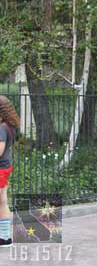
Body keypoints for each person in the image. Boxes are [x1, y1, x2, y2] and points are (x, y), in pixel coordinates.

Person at [0, 96, 18, 247]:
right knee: (2, 202)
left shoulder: (1, 128)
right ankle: (4, 237)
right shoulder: (9, 126)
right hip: (5, 167)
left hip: (0, 169)